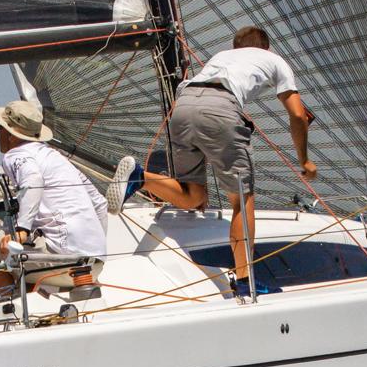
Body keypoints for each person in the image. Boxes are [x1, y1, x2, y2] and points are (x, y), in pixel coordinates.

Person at [107, 26, 317, 295]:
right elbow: (298, 115)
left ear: (235, 46)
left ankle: (140, 177)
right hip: (221, 106)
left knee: (193, 196)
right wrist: (305, 160)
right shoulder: (274, 60)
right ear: (266, 48)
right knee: (242, 200)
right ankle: (245, 281)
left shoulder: (221, 56)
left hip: (183, 106)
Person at [0, 100, 108, 290]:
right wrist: (94, 252)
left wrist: (23, 229)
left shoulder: (15, 155)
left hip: (63, 264)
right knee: (17, 240)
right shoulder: (57, 158)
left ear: (9, 133)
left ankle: (13, 301)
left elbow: (33, 180)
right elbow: (100, 204)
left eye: (0, 127)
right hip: (95, 266)